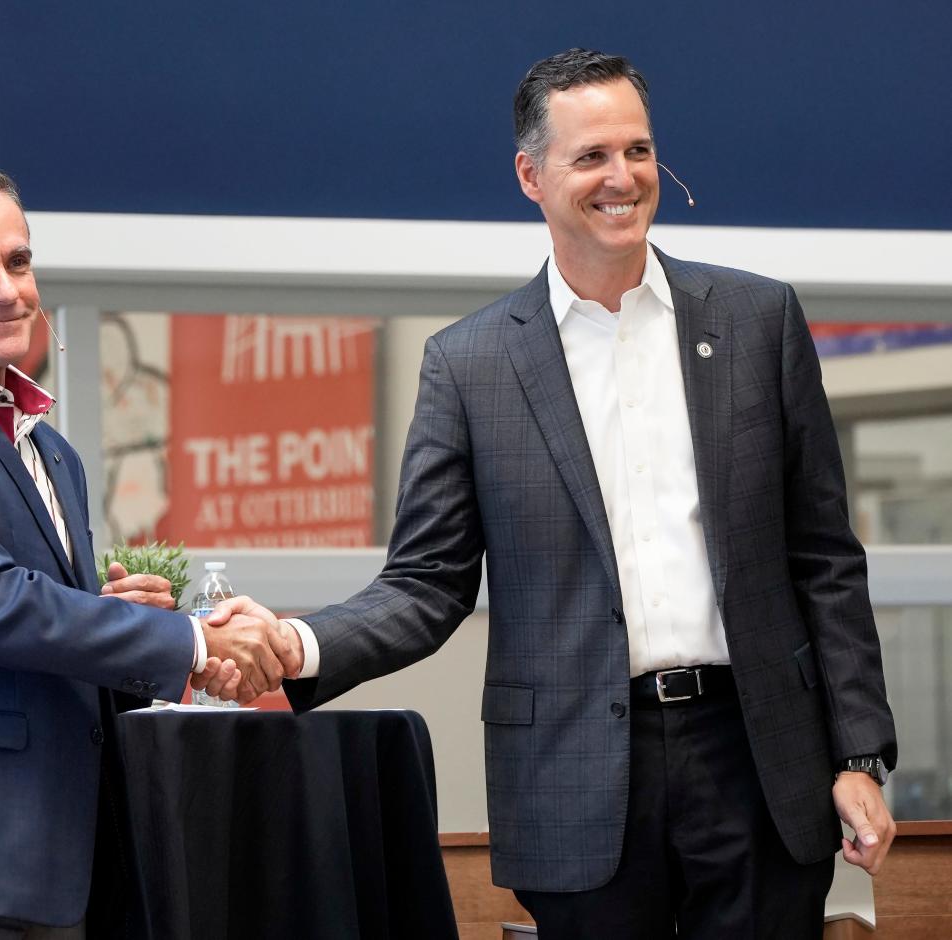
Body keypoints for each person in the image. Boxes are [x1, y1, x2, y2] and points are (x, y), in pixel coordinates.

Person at [212, 49, 897, 938]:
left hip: (760, 759)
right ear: (531, 176)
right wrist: (297, 644)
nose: (624, 178)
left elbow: (824, 559)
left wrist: (856, 753)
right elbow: (426, 584)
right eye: (593, 157)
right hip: (577, 776)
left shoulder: (757, 321)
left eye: (639, 151)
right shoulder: (470, 365)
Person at [0, 164, 296, 939]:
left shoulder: (50, 449)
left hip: (55, 867)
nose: (6, 288)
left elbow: (35, 626)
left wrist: (116, 624)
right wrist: (194, 640)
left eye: (19, 261)